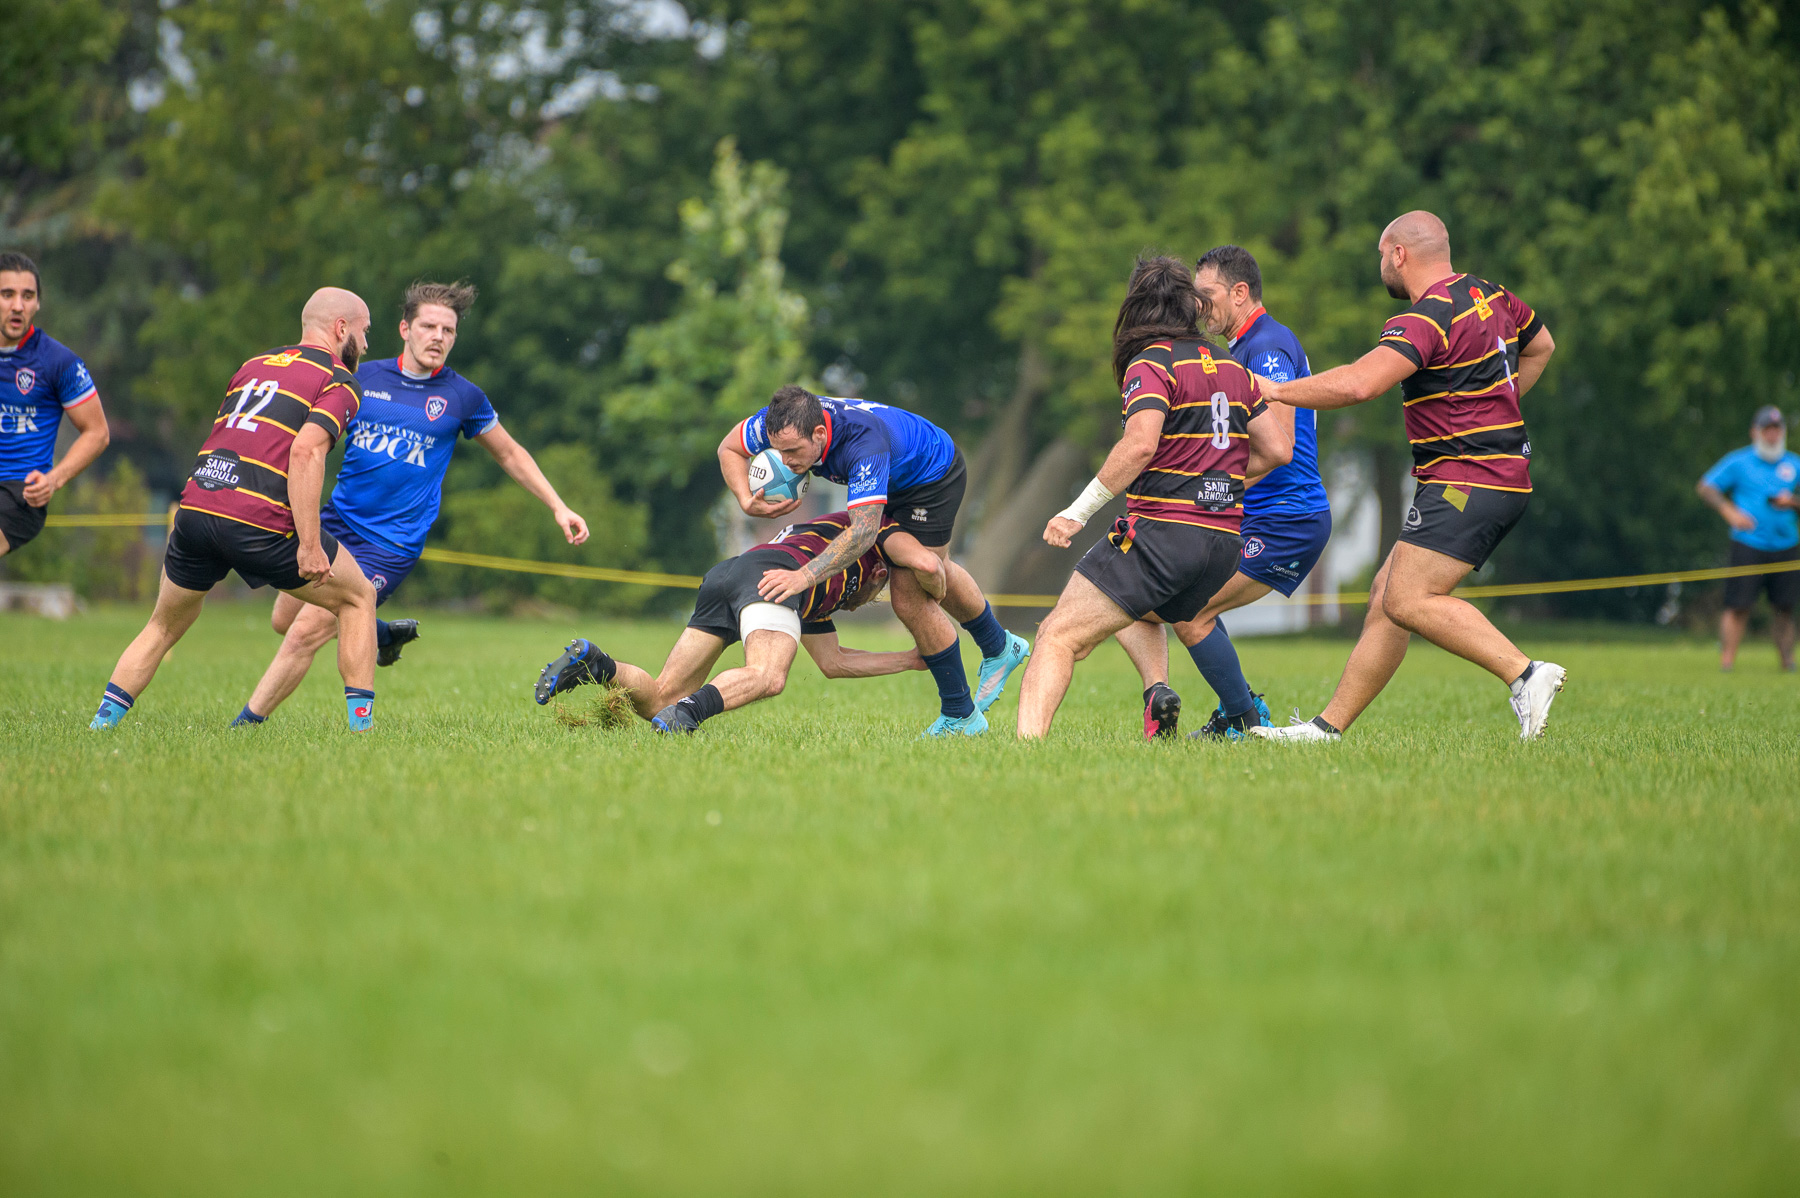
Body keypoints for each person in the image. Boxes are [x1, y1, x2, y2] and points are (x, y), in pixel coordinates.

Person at [1249, 210, 1565, 743]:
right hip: (1495, 475)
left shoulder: (1422, 318)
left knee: (1407, 600)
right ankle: (1327, 730)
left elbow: (1358, 385)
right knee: (1385, 594)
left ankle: (1526, 673)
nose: (1381, 267)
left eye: (1381, 256)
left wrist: (1273, 390)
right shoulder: (1492, 296)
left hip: (1464, 481)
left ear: (1399, 254)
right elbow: (1542, 346)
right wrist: (1499, 406)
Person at [231, 281, 589, 727]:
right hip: (336, 521)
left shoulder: (463, 397)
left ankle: (245, 726)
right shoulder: (361, 378)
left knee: (305, 632)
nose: (438, 336)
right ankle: (380, 634)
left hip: (391, 544)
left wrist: (559, 506)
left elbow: (510, 452)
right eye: (429, 326)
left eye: (449, 330)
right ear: (405, 329)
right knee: (283, 619)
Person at [1015, 255, 1292, 739]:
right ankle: (1165, 694)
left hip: (1163, 534)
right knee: (1135, 605)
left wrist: (1076, 513)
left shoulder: (1151, 363)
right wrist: (1217, 485)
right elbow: (1277, 450)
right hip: (1223, 542)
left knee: (1058, 635)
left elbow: (1140, 444)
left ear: (1137, 308)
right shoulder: (1232, 365)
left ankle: (1024, 752)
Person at [90, 288, 380, 732]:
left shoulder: (254, 366)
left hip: (198, 506)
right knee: (358, 598)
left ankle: (101, 726)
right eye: (364, 332)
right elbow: (304, 453)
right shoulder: (339, 380)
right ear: (341, 329)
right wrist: (307, 545)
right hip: (258, 519)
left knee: (163, 626)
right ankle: (363, 733)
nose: (366, 344)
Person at [1110, 244, 1333, 739]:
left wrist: (1207, 487)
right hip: (1253, 515)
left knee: (1191, 612)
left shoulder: (1266, 347)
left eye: (1205, 295)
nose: (1197, 306)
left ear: (1239, 292)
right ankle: (1237, 711)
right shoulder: (1240, 349)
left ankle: (1244, 721)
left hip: (1286, 518)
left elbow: (1282, 445)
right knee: (1156, 601)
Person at [718, 386, 1030, 736]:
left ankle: (961, 716)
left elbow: (864, 532)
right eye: (778, 450)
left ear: (820, 433)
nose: (786, 460)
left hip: (930, 477)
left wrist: (803, 577)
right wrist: (745, 499)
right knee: (927, 567)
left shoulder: (862, 445)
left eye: (793, 451)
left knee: (910, 597)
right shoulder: (781, 421)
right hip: (892, 476)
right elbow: (728, 448)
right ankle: (998, 646)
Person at [534, 510, 954, 732]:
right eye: (872, 597)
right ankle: (688, 715)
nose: (861, 604)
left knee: (662, 695)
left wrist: (912, 659)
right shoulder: (874, 538)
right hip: (772, 577)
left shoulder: (821, 593)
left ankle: (597, 664)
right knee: (769, 675)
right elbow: (925, 562)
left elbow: (834, 662)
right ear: (880, 575)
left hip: (729, 574)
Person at [0, 252, 111, 557]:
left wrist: (53, 480)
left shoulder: (58, 362)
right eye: (7, 294)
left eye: (27, 296)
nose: (18, 305)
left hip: (18, 493)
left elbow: (97, 432)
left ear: (37, 304)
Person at [1697, 405, 1798, 671]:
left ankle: (1787, 662)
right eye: (1768, 429)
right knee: (1737, 605)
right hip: (1748, 543)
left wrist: (1793, 503)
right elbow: (1706, 487)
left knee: (1785, 607)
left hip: (1786, 544)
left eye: (1777, 429)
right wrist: (1729, 511)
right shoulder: (1738, 461)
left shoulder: (1793, 463)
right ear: (1755, 432)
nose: (1773, 435)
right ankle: (1727, 662)